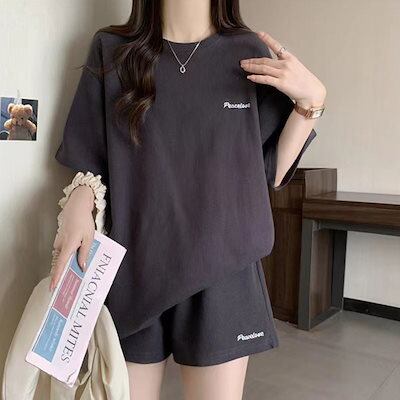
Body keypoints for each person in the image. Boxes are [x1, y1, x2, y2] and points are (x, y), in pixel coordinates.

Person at [51, 0, 326, 399]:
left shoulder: (246, 51)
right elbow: (89, 157)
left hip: (224, 270)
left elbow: (268, 172)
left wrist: (310, 104)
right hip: (136, 269)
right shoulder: (112, 49)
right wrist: (78, 203)